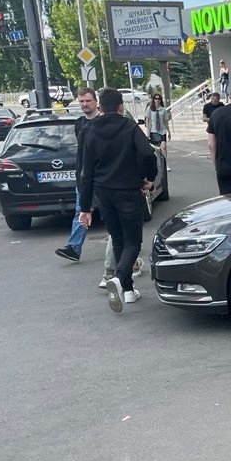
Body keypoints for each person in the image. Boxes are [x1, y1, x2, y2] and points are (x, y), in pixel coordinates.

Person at [78, 88, 158, 313]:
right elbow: (148, 154)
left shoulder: (89, 131)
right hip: (128, 191)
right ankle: (119, 277)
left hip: (103, 194)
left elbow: (86, 173)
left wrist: (85, 207)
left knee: (118, 239)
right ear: (121, 106)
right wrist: (149, 178)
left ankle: (129, 291)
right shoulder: (130, 127)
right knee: (133, 242)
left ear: (100, 107)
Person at [54, 87, 100, 262]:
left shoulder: (103, 122)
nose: (84, 104)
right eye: (81, 101)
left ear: (96, 101)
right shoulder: (79, 123)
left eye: (88, 100)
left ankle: (127, 246)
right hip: (84, 176)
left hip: (103, 176)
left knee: (113, 212)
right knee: (81, 210)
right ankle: (73, 248)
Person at [144, 94, 172, 168]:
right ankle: (156, 163)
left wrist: (169, 132)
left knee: (164, 147)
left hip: (162, 130)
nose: (157, 100)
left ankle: (165, 164)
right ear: (153, 100)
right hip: (153, 130)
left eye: (159, 99)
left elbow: (165, 121)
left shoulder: (163, 110)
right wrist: (148, 132)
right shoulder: (150, 109)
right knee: (155, 148)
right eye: (156, 99)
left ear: (161, 100)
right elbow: (147, 121)